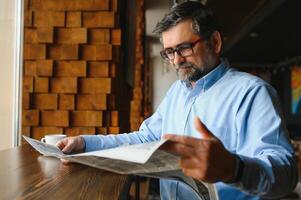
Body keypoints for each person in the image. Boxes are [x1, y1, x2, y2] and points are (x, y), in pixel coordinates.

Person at [57, 1, 298, 199]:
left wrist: (234, 169)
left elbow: (286, 175)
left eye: (183, 48)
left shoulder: (252, 92)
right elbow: (145, 138)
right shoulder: (177, 92)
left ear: (214, 42)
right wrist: (85, 144)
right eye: (169, 52)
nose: (175, 60)